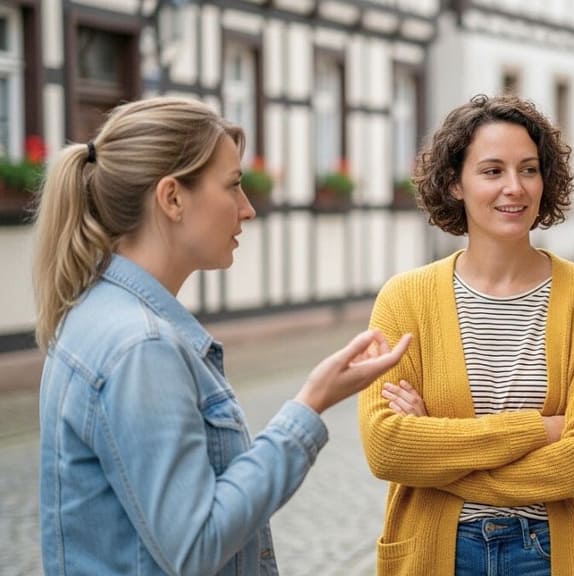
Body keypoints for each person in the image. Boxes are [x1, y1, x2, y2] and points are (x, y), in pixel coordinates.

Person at [33, 96, 411, 575]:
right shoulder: (142, 347)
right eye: (232, 185)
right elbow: (195, 544)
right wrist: (309, 407)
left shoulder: (97, 314)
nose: (247, 209)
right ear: (172, 198)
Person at [357, 94, 574, 575]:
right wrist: (543, 429)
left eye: (529, 169)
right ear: (454, 183)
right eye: (492, 171)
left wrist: (441, 460)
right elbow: (387, 447)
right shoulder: (404, 301)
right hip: (437, 551)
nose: (515, 188)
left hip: (552, 551)